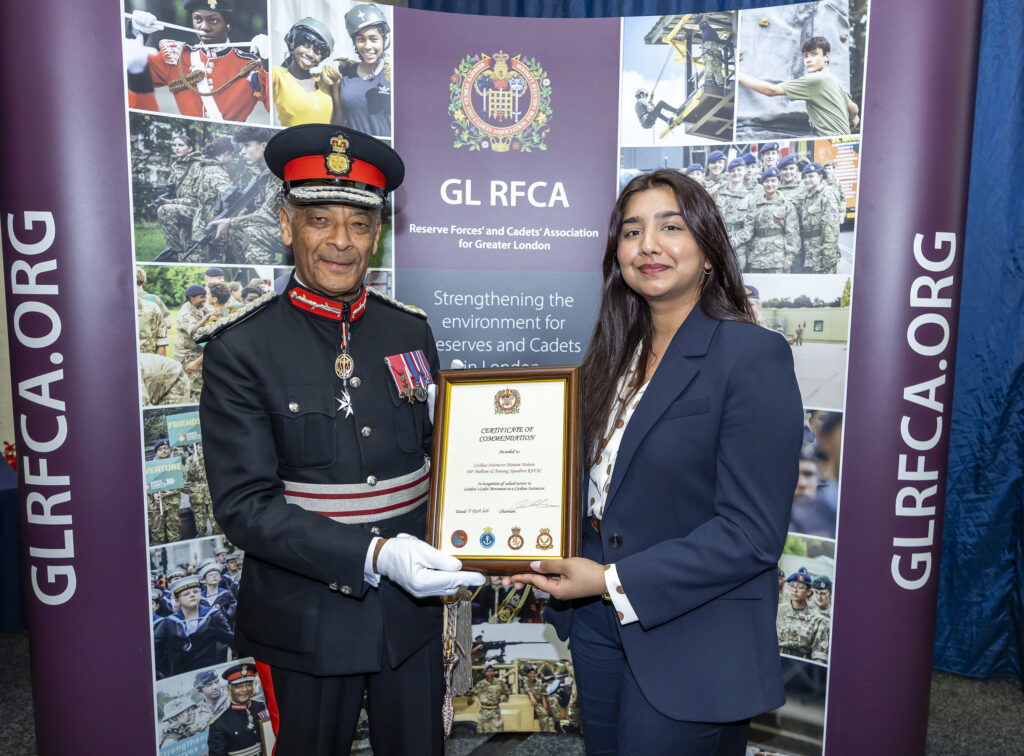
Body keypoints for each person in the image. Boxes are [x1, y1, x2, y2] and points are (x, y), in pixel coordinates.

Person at [198, 124, 483, 755]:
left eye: (359, 224)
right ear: (286, 225)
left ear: (376, 235)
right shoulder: (241, 349)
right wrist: (374, 554)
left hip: (409, 611)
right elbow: (245, 508)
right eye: (320, 220)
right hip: (304, 612)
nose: (341, 241)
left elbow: (439, 459)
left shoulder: (409, 331)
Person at [511, 169, 802, 754]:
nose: (648, 245)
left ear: (708, 250)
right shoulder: (609, 358)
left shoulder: (752, 355)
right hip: (596, 623)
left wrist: (611, 581)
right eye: (631, 231)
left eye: (670, 227)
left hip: (693, 637)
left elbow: (750, 534)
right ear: (616, 255)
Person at [126, 0, 269, 123]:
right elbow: (130, 74)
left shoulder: (250, 67)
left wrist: (269, 60)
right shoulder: (177, 58)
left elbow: (274, 105)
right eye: (198, 19)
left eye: (213, 20)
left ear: (228, 25)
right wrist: (136, 32)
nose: (204, 27)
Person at [738, 36, 859, 137]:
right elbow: (854, 108)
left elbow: (771, 90)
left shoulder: (815, 80)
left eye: (814, 54)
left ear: (826, 56)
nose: (808, 60)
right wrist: (854, 118)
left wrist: (738, 75)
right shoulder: (834, 79)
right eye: (806, 56)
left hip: (830, 142)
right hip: (846, 140)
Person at [208, 127, 286, 265]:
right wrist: (241, 213)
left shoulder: (279, 173)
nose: (242, 151)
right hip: (279, 227)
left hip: (298, 232)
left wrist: (230, 221)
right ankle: (246, 269)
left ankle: (267, 273)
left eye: (247, 145)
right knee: (234, 231)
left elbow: (269, 215)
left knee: (252, 232)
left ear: (264, 146)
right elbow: (258, 206)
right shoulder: (261, 174)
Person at [323, 4, 393, 136]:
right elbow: (338, 122)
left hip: (387, 148)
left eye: (373, 39)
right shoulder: (342, 75)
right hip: (354, 148)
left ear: (384, 40)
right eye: (361, 39)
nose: (367, 46)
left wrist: (398, 88)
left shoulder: (396, 74)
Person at [154, 575, 233, 678]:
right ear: (177, 600)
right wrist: (162, 676)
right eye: (186, 594)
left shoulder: (213, 616)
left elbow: (230, 640)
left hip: (209, 675)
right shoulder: (168, 623)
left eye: (196, 591)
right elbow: (156, 652)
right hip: (180, 678)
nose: (192, 595)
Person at [272, 18, 335, 126]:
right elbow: (260, 72)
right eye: (306, 45)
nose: (310, 54)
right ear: (294, 44)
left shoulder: (323, 80)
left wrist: (338, 63)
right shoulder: (278, 75)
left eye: (317, 51)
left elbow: (350, 64)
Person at [157, 134, 205, 255]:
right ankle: (177, 254)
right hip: (183, 208)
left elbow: (198, 199)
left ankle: (173, 253)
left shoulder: (198, 166)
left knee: (164, 210)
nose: (176, 148)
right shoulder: (176, 165)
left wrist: (174, 202)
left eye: (181, 145)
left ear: (190, 148)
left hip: (197, 210)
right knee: (187, 249)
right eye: (174, 145)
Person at [207, 663, 269, 756]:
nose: (245, 689)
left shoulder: (260, 706)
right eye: (238, 686)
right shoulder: (219, 723)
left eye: (248, 684)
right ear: (229, 690)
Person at [747, 167, 799, 274]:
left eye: (773, 181)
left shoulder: (786, 205)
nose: (769, 184)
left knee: (778, 284)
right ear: (762, 184)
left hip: (778, 258)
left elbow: (792, 233)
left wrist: (790, 257)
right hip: (757, 256)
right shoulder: (755, 204)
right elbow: (749, 229)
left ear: (779, 182)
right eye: (766, 181)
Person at [797, 162, 842, 273]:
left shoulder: (827, 193)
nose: (807, 180)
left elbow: (831, 227)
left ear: (820, 176)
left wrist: (828, 254)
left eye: (811, 176)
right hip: (810, 251)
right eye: (805, 177)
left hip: (822, 252)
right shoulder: (807, 195)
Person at [776, 569, 829, 663]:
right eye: (791, 586)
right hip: (776, 660)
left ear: (809, 592)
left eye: (800, 587)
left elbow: (819, 655)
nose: (794, 590)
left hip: (802, 666)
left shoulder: (818, 619)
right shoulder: (777, 611)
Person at [716, 158, 754, 271]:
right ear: (728, 173)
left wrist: (734, 241)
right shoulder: (718, 192)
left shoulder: (749, 197)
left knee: (736, 278)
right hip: (718, 244)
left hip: (738, 249)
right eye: (732, 170)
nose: (736, 173)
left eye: (739, 170)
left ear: (744, 171)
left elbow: (749, 227)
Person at [175, 285, 211, 402]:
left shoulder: (200, 307)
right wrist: (207, 317)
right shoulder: (186, 313)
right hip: (187, 355)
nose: (204, 300)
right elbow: (193, 330)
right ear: (192, 298)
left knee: (200, 385)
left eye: (205, 297)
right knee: (193, 387)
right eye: (201, 297)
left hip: (197, 351)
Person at [148, 439, 183, 544]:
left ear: (170, 449)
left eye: (166, 448)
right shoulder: (150, 467)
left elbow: (183, 480)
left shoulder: (176, 464)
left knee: (174, 529)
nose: (163, 451)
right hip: (156, 504)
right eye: (160, 449)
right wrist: (154, 493)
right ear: (156, 452)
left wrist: (172, 492)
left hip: (172, 502)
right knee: (157, 532)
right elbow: (146, 484)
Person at [466, 663, 510, 733]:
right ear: (484, 673)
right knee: (482, 731)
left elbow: (507, 691)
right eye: (487, 671)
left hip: (495, 711)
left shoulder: (500, 682)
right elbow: (471, 692)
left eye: (491, 671)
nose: (489, 673)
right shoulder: (481, 683)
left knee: (497, 731)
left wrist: (506, 696)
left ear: (494, 672)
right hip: (484, 711)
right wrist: (469, 699)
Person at [523, 665, 554, 732]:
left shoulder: (538, 682)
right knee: (544, 714)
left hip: (539, 700)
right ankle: (545, 732)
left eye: (534, 673)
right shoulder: (525, 681)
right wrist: (532, 698)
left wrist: (544, 702)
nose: (532, 675)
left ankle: (557, 723)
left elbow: (543, 692)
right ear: (527, 674)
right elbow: (527, 689)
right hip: (532, 701)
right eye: (530, 673)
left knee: (553, 701)